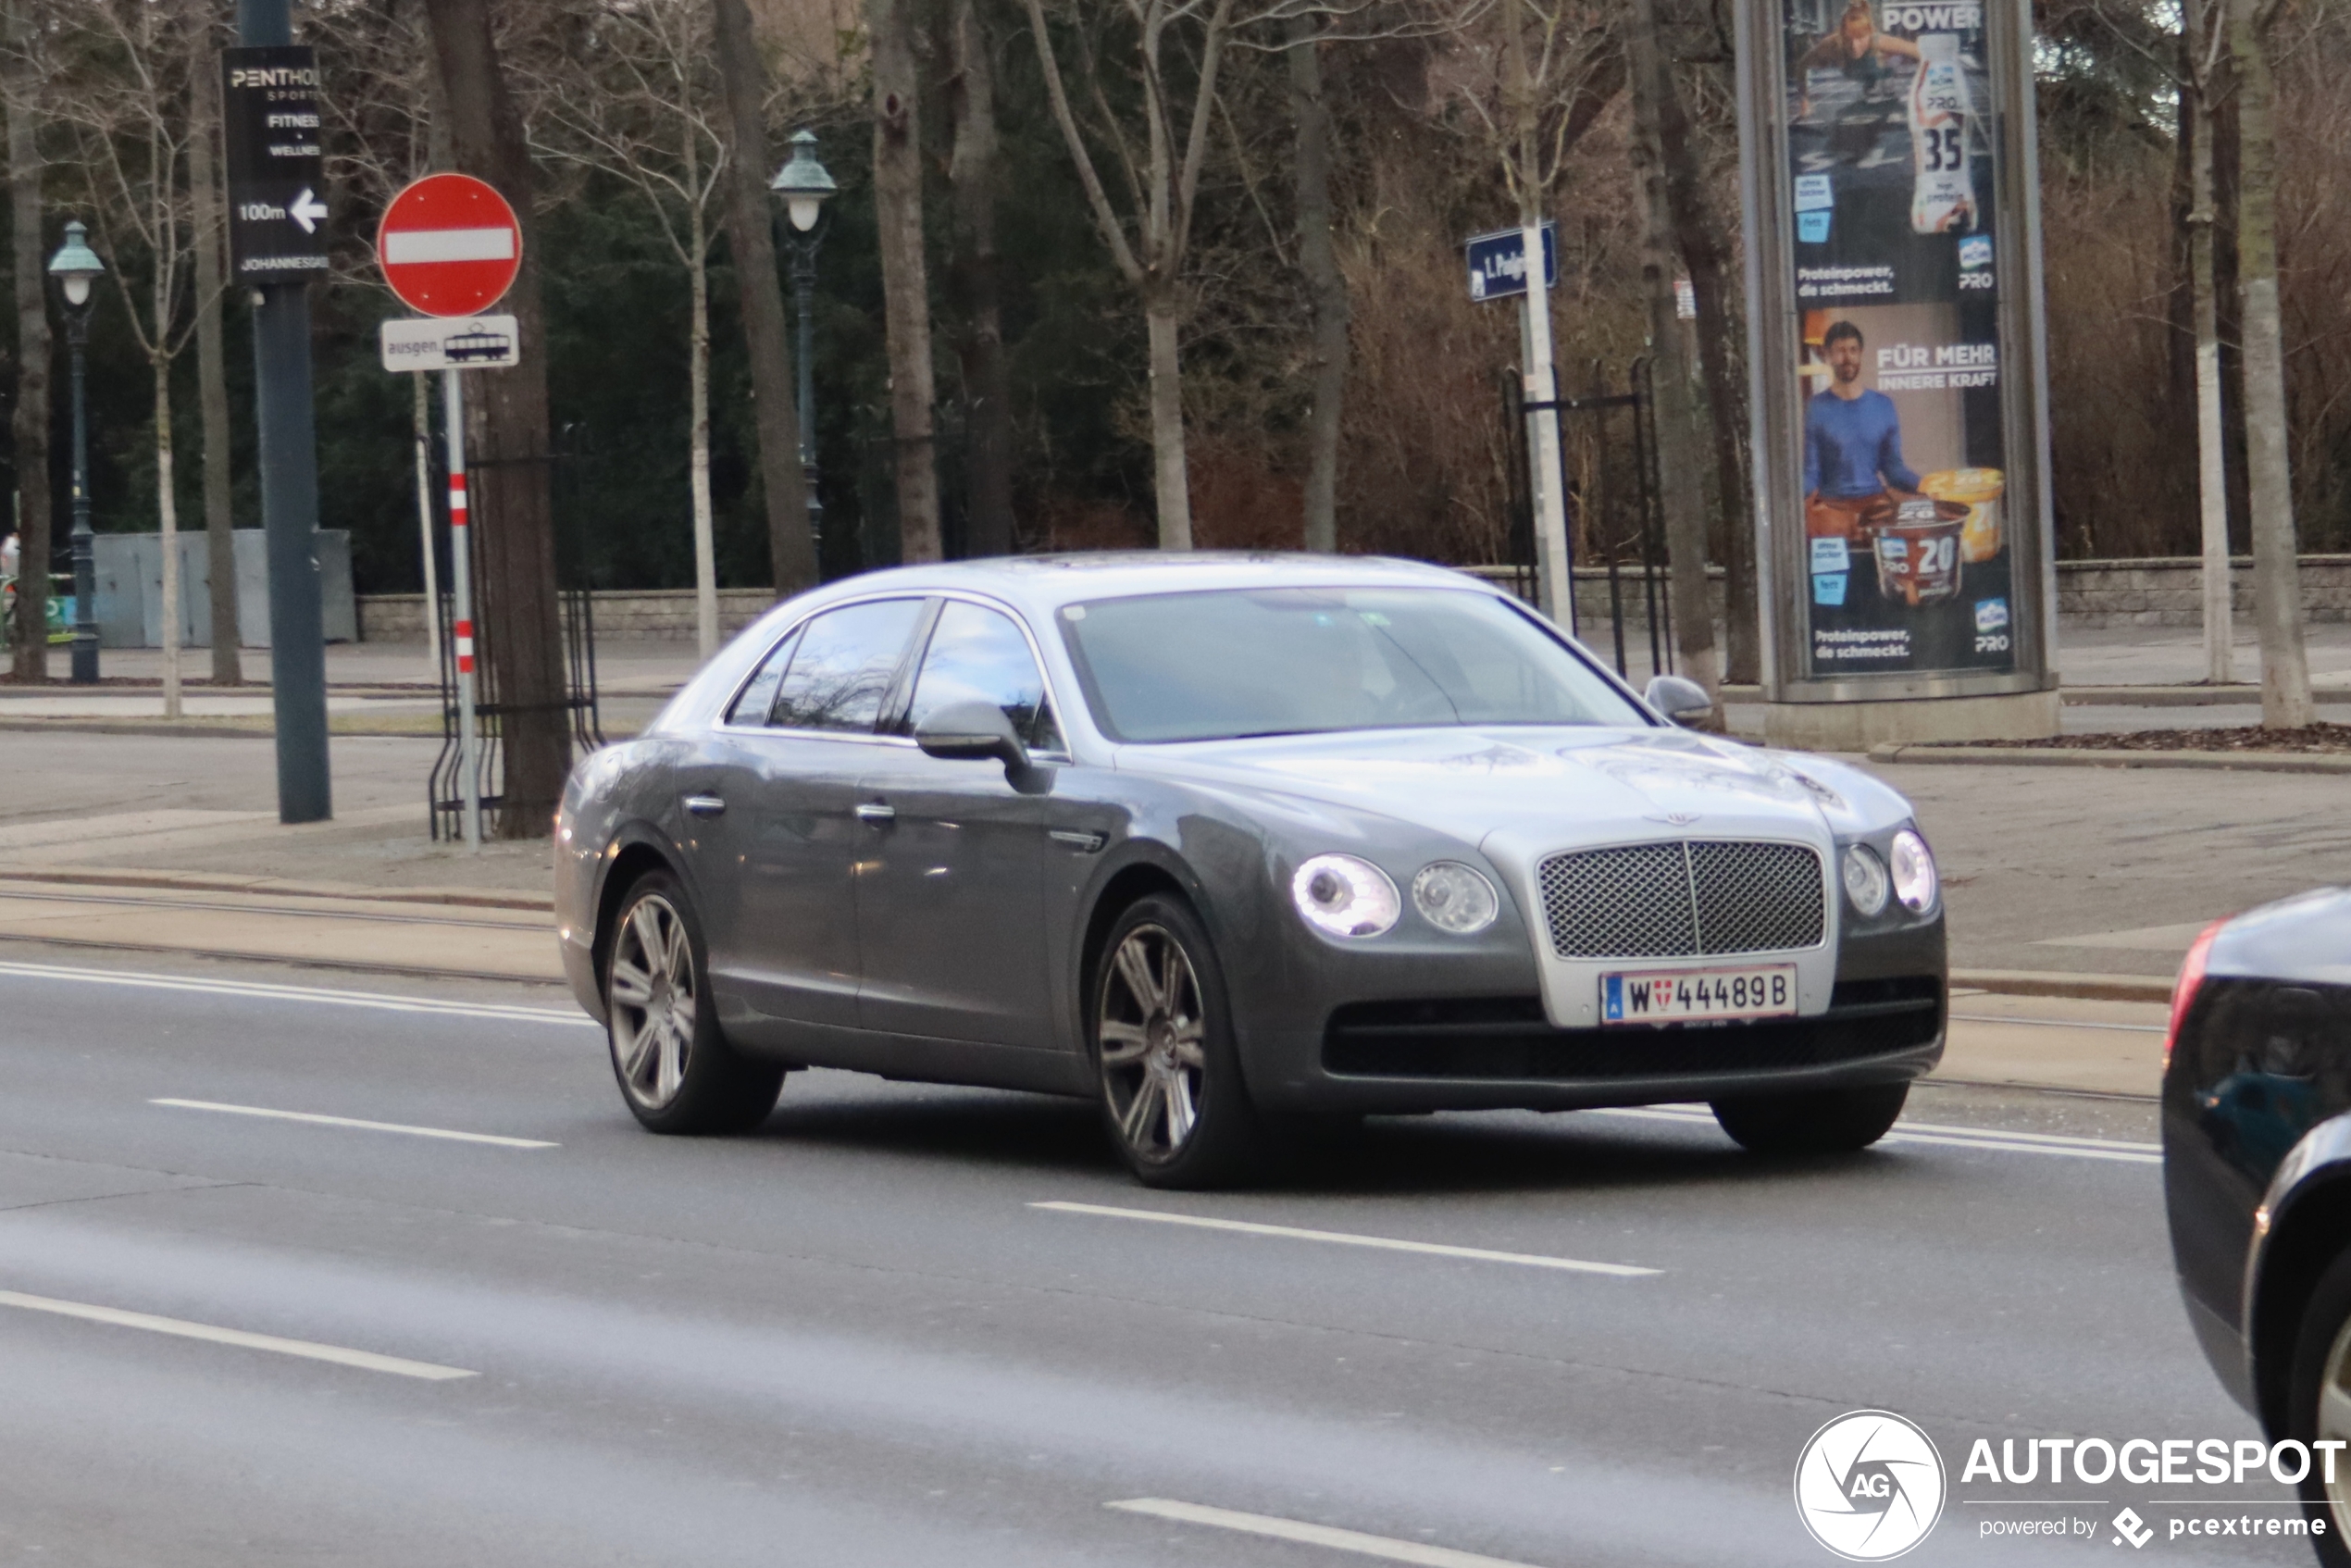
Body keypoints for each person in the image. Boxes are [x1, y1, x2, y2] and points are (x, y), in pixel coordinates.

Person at [1803, 319, 1918, 509]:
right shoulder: (1816, 408)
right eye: (1840, 351)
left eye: (1853, 350)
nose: (1847, 358)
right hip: (1832, 508)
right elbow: (1811, 474)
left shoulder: (1884, 405)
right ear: (1828, 356)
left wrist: (1928, 486)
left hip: (1874, 505)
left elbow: (1894, 470)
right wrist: (1785, 494)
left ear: (1860, 354)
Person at [1796, 0, 1921, 118]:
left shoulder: (1879, 41)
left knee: (1889, 63)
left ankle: (1882, 80)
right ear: (1842, 35)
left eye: (1860, 38)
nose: (1855, 46)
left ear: (1869, 34)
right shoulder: (1832, 45)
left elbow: (1920, 52)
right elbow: (1802, 65)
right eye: (1849, 39)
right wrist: (1804, 100)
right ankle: (1872, 84)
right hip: (1861, 72)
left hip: (1882, 70)